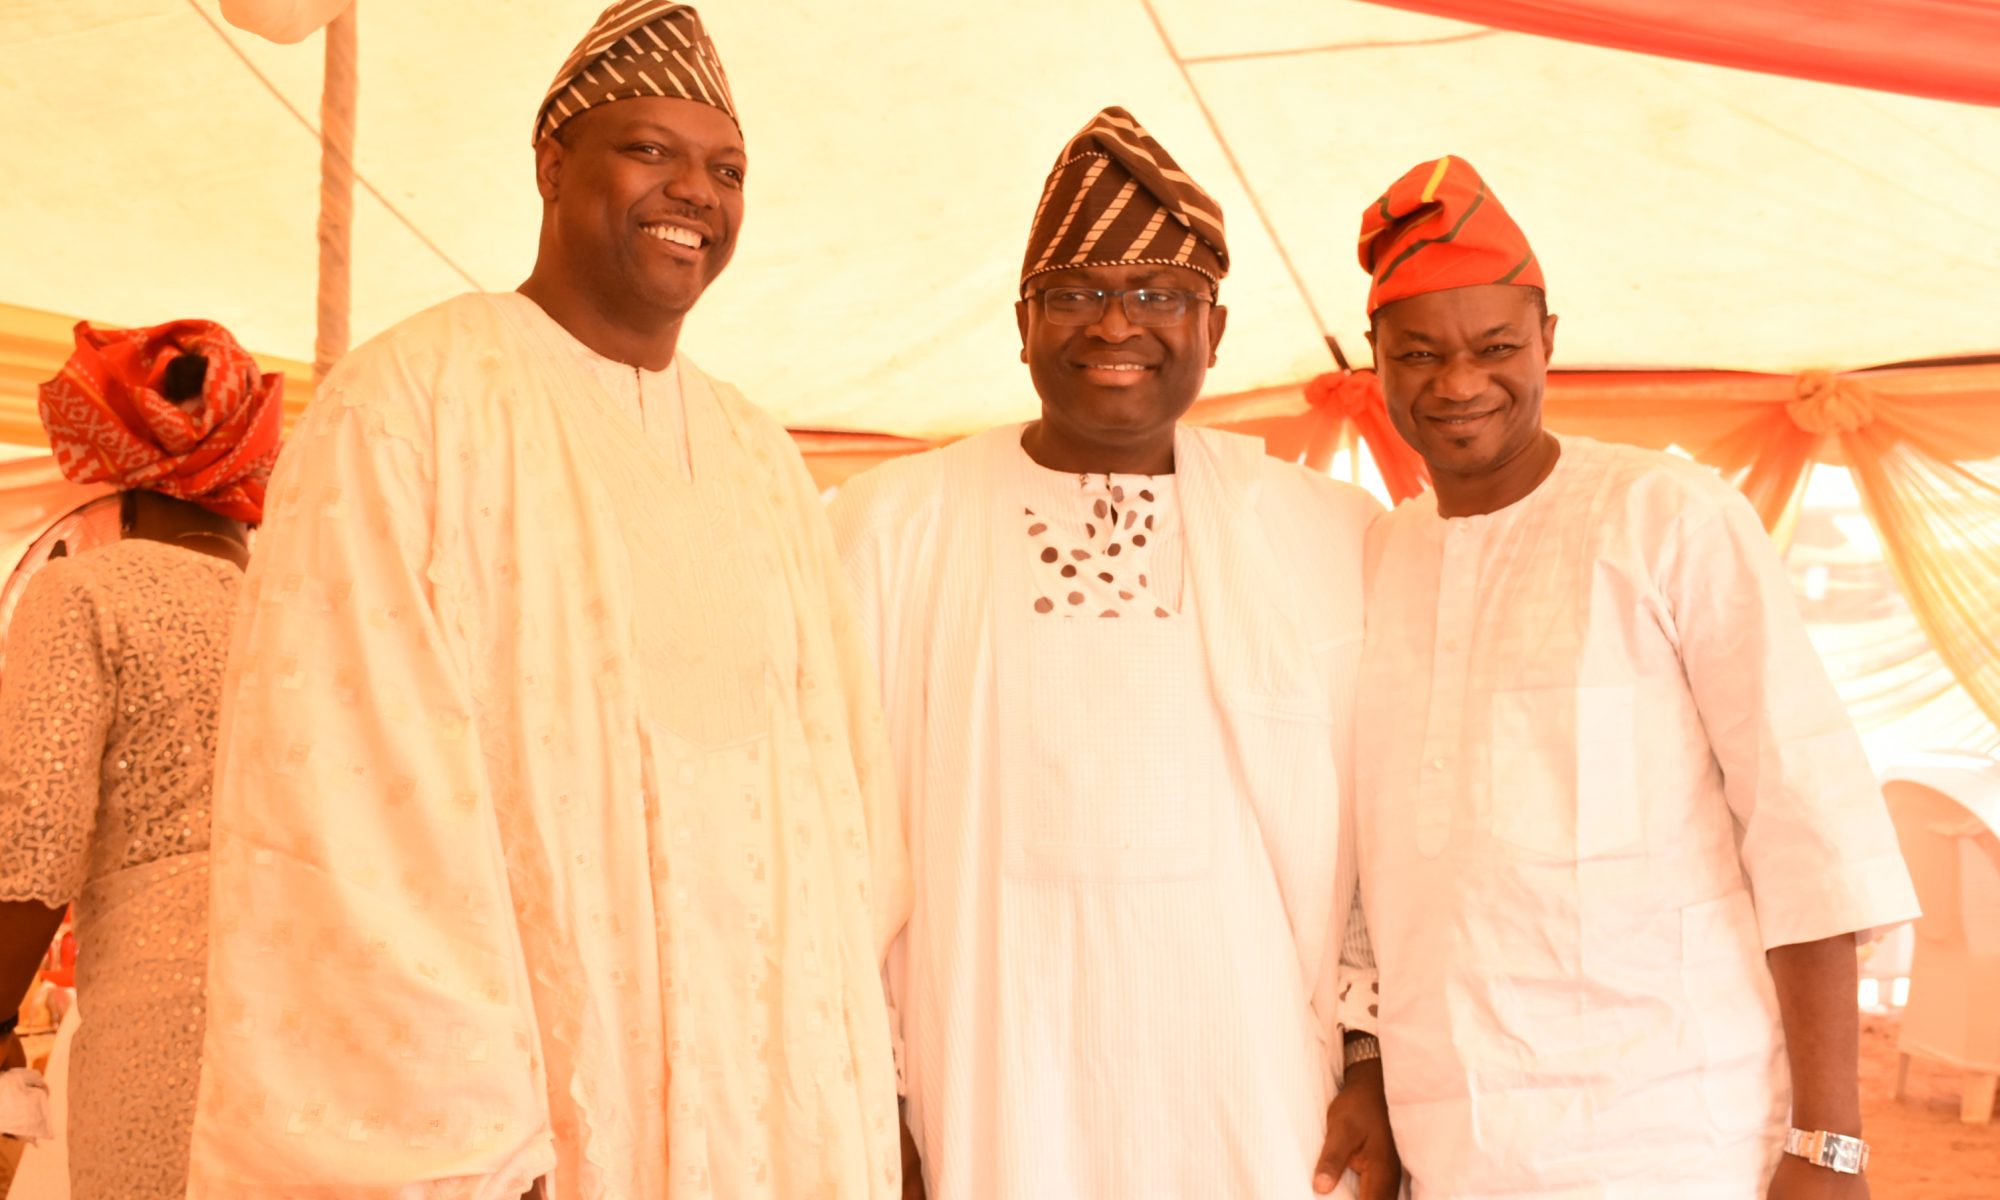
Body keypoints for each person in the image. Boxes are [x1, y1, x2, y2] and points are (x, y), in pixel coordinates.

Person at [184, 5, 907, 1197]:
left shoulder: (761, 454)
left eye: (725, 169)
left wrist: (849, 1082)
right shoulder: (408, 403)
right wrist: (462, 1145)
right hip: (542, 1107)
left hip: (771, 1108)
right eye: (649, 150)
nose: (695, 192)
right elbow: (347, 798)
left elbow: (843, 801)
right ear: (551, 164)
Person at [829, 107, 1400, 1200]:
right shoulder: (890, 528)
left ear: (1214, 329)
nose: (1115, 325)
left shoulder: (1326, 535)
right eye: (1076, 294)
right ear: (1022, 323)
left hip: (1256, 1096)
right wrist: (870, 1101)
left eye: (1158, 295)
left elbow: (1385, 833)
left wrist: (1373, 1061)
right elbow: (832, 844)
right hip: (988, 1085)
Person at [1350, 155, 1921, 1198]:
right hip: (1452, 1143)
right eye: (1418, 353)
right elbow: (1366, 870)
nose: (1458, 383)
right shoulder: (1376, 559)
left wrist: (1827, 1144)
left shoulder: (1667, 519)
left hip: (1673, 1138)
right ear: (1374, 361)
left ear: (1548, 339)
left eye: (1494, 346)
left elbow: (1807, 830)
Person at [0, 318, 280, 1199]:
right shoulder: (313, 616)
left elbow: (32, 837)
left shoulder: (86, 591)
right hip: (330, 1019)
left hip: (167, 1023)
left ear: (116, 484)